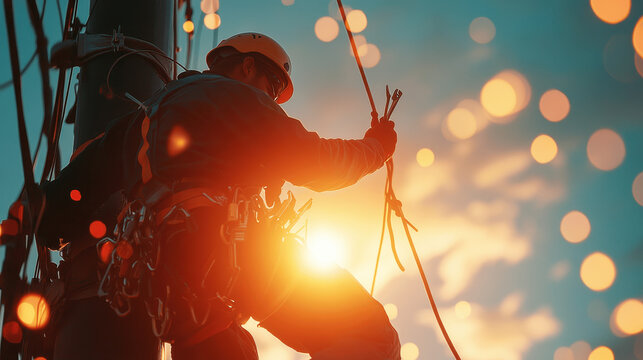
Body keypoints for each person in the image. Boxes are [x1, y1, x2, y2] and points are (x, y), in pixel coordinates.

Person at [38, 32, 400, 359]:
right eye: (272, 85)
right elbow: (320, 163)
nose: (273, 98)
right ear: (247, 66)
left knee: (228, 348)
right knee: (370, 333)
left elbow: (79, 185)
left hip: (162, 278)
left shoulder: (143, 117)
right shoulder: (240, 99)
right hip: (231, 253)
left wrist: (36, 216)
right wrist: (376, 147)